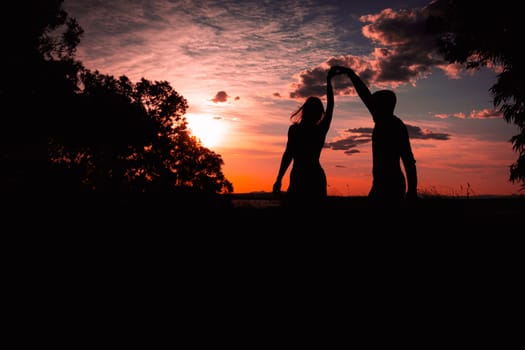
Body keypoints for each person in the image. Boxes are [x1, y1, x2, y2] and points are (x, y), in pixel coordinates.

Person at [332, 65, 418, 208]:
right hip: (382, 183)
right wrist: (350, 74)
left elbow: (408, 160)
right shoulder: (385, 121)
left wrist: (412, 191)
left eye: (376, 104)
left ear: (384, 106)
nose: (372, 106)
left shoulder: (393, 125)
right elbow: (365, 95)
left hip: (391, 184)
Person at [272, 66, 339, 208]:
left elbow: (288, 155)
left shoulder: (297, 130)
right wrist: (328, 80)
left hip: (301, 175)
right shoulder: (318, 130)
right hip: (311, 176)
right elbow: (331, 106)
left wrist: (279, 179)